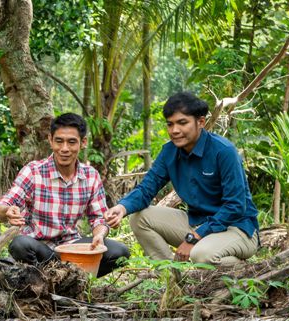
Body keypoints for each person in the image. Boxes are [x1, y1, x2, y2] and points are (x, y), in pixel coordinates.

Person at [103, 91, 259, 266]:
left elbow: (236, 206)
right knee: (139, 218)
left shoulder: (224, 151)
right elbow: (147, 187)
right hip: (197, 223)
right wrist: (122, 208)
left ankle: (242, 268)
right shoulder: (169, 152)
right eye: (170, 124)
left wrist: (194, 238)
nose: (175, 130)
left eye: (182, 123)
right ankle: (172, 276)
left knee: (200, 255)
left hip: (237, 228)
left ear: (201, 122)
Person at [0, 112, 129, 277]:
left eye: (72, 142)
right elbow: (2, 207)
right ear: (50, 140)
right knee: (20, 244)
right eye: (59, 141)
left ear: (83, 142)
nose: (65, 149)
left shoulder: (90, 175)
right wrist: (7, 212)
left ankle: (74, 281)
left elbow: (98, 218)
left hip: (72, 248)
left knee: (119, 252)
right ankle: (43, 283)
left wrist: (99, 235)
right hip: (39, 249)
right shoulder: (33, 171)